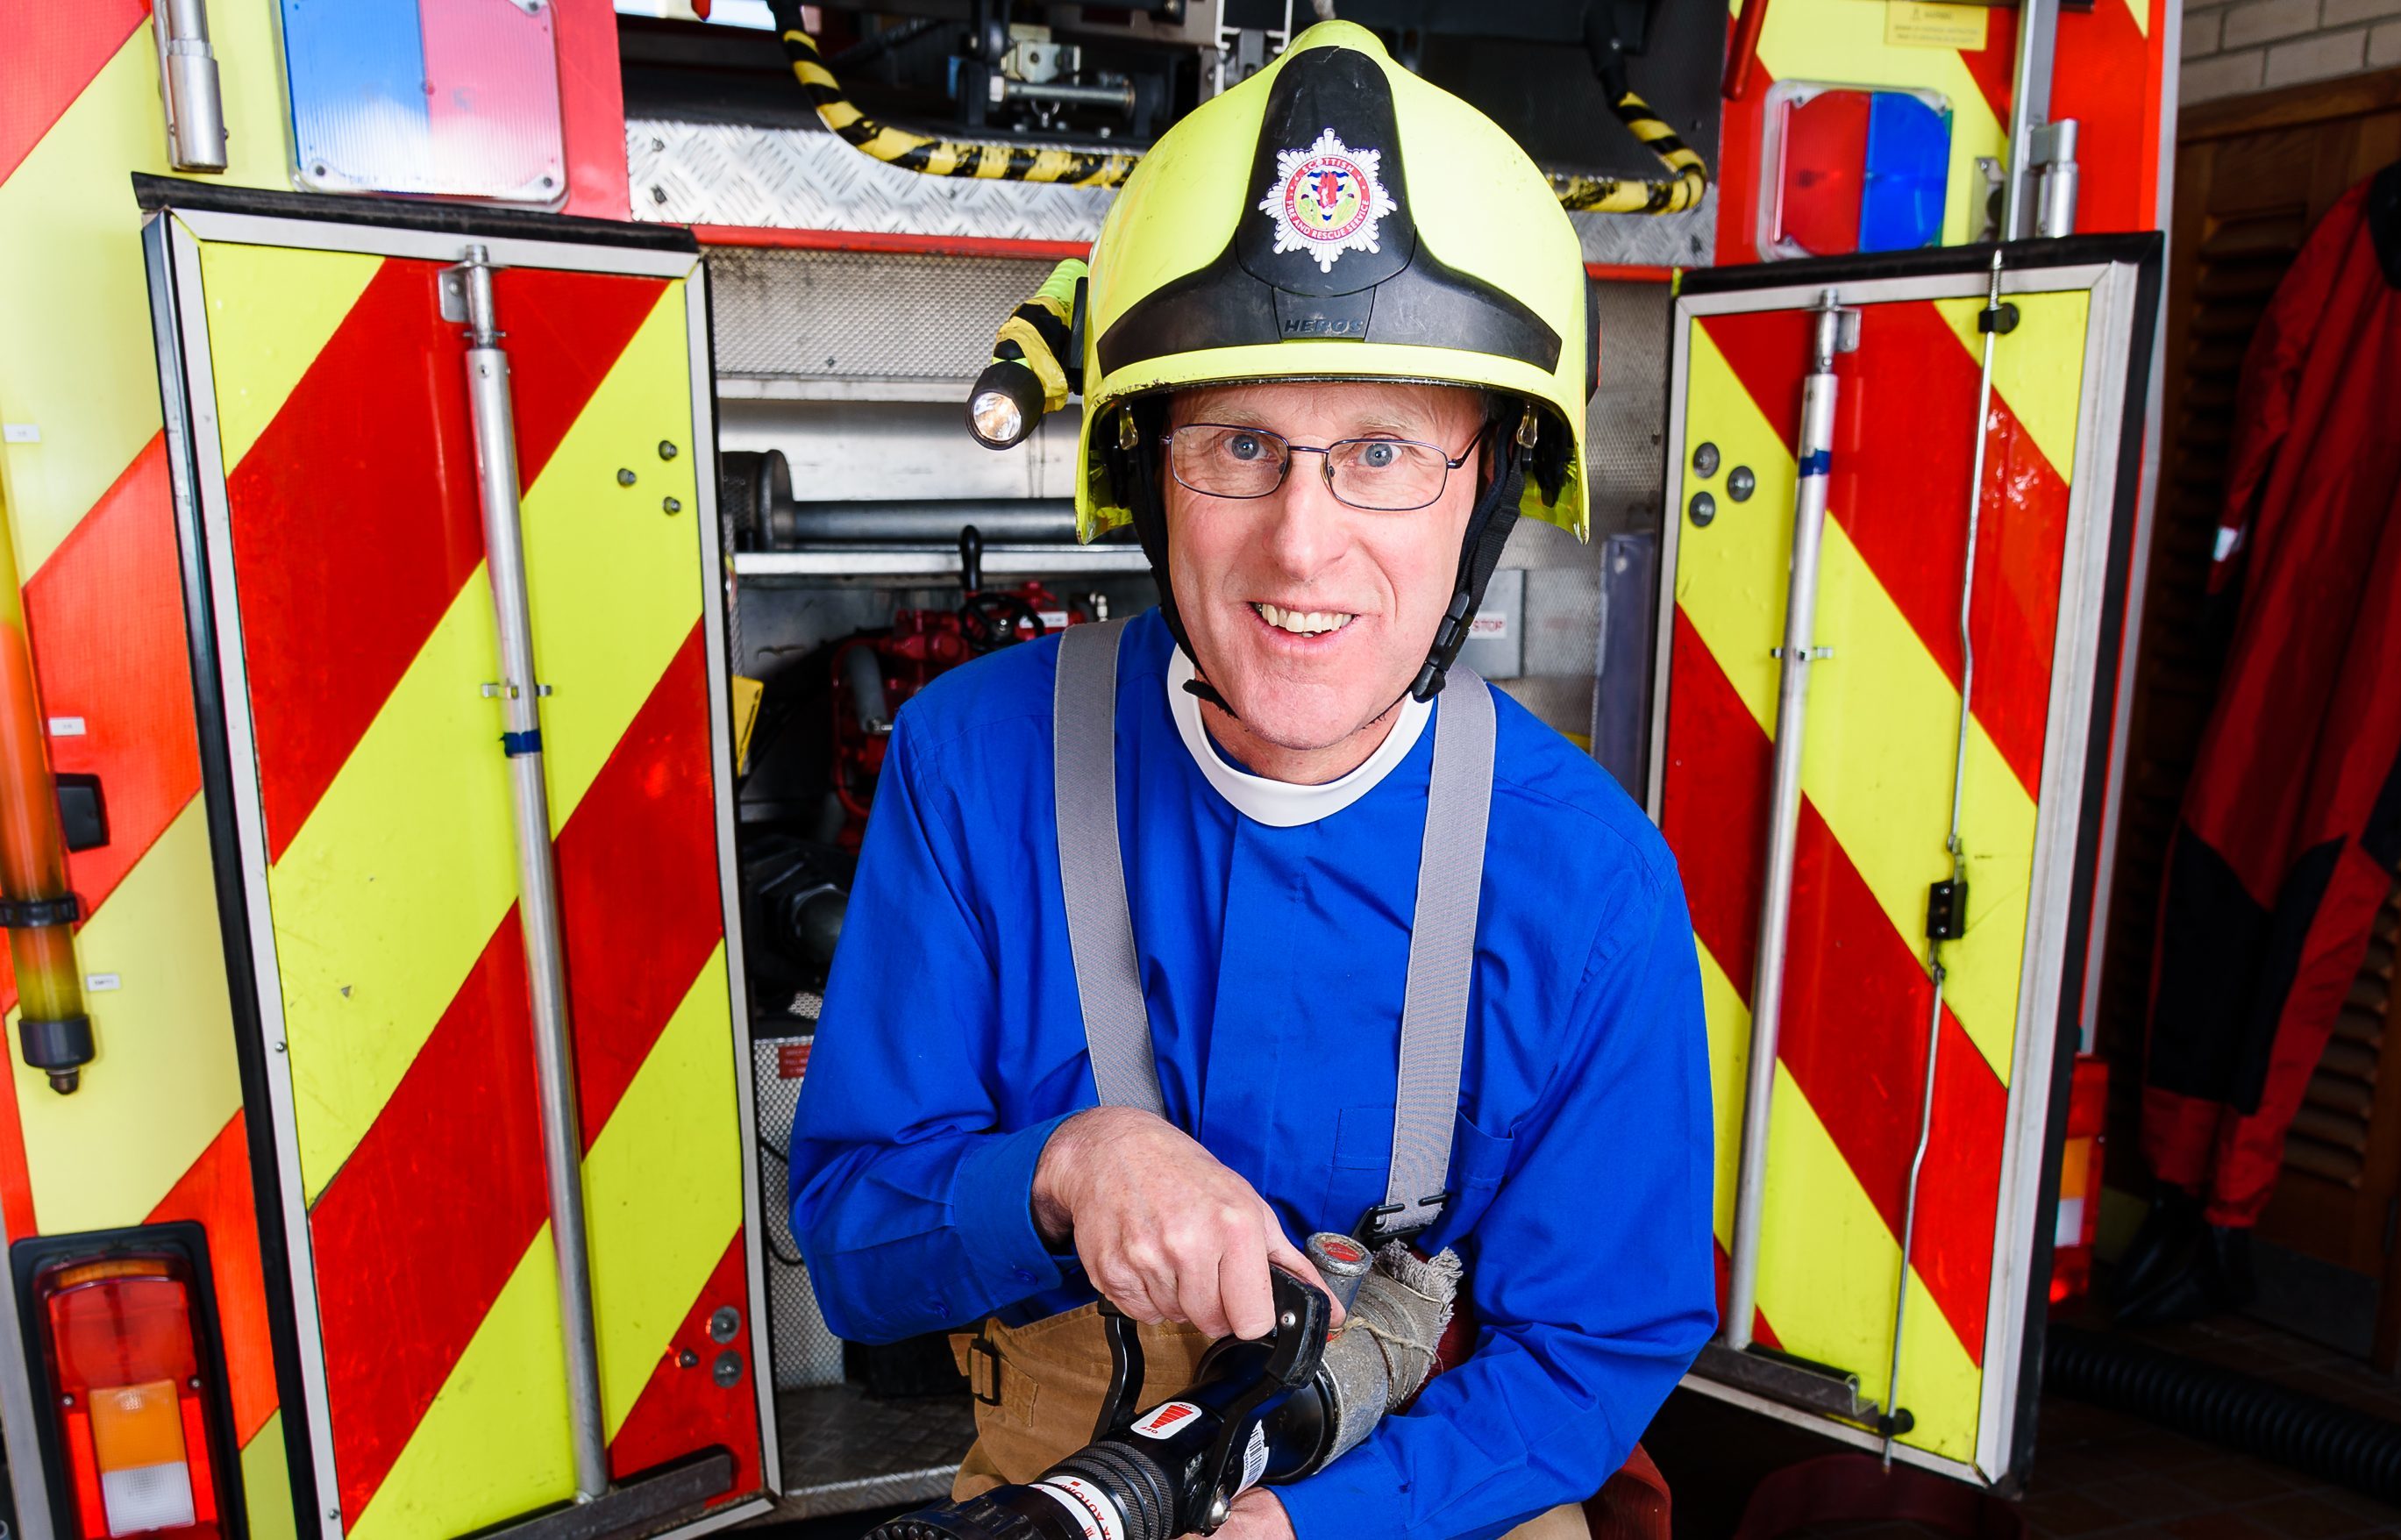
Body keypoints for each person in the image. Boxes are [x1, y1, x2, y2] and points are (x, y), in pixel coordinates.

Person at [789, 22, 1714, 1539]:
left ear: (1488, 489)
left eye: (1380, 453)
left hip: (1431, 1496)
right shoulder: (974, 765)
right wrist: (1065, 1171)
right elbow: (854, 1248)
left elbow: (1591, 1349)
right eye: (1239, 446)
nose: (1300, 544)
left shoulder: (1585, 882)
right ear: (1147, 472)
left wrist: (1312, 1525)